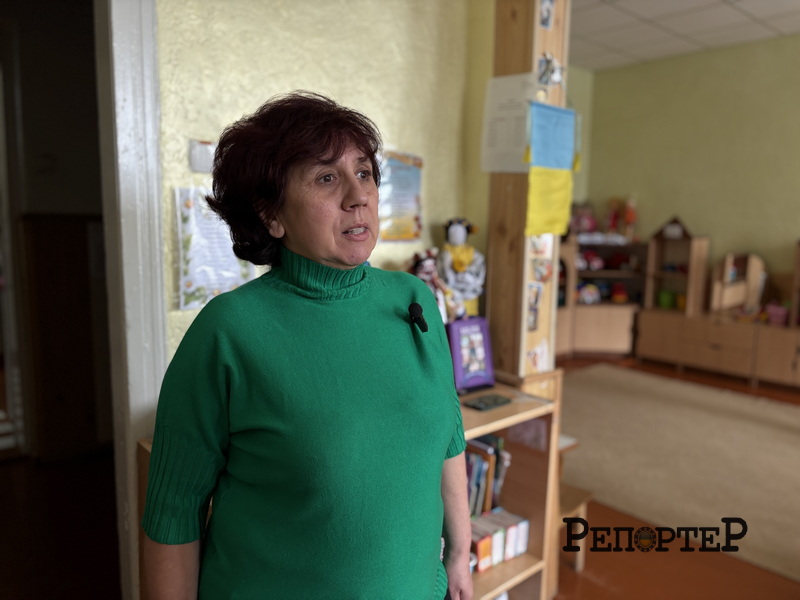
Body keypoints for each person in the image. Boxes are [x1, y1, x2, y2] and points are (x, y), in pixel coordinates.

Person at [141, 91, 473, 600]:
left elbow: (448, 436)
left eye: (364, 173)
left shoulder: (414, 299)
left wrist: (459, 556)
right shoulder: (229, 332)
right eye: (326, 178)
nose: (358, 195)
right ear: (271, 214)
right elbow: (173, 512)